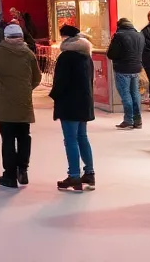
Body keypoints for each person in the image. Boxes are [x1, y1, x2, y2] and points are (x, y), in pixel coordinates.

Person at [0, 23, 42, 188]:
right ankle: (23, 169)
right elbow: (37, 77)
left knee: (8, 139)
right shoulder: (28, 54)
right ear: (21, 37)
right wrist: (26, 89)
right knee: (24, 136)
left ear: (5, 37)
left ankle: (9, 174)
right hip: (23, 102)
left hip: (3, 103)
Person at [51, 25, 96, 191]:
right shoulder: (86, 55)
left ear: (65, 37)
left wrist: (54, 96)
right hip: (84, 102)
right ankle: (89, 173)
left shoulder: (66, 57)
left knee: (70, 140)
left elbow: (61, 82)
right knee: (82, 137)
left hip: (69, 103)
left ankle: (74, 176)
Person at [106, 17, 145, 130]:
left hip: (122, 68)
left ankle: (128, 120)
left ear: (119, 26)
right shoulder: (139, 35)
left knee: (125, 94)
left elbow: (111, 54)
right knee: (135, 94)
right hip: (136, 68)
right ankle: (138, 120)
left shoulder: (119, 36)